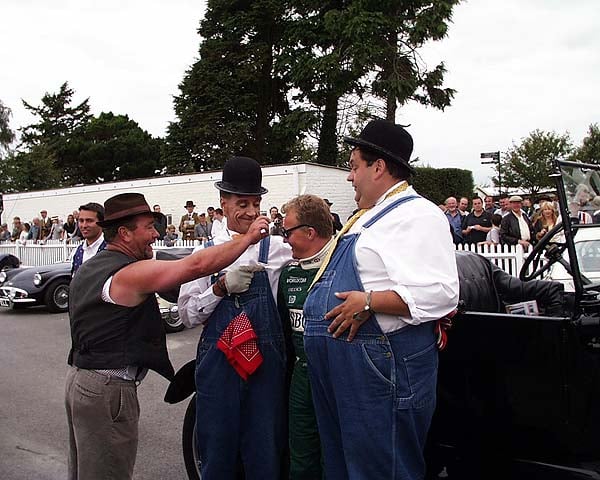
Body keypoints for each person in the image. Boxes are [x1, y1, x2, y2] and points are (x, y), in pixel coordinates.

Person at [65, 192, 269, 480]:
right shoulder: (128, 273)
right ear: (124, 233)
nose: (155, 234)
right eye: (148, 227)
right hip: (108, 389)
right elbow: (194, 267)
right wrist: (247, 238)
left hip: (84, 382)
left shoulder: (91, 267)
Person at [303, 119, 459, 480]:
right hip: (344, 368)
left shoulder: (418, 215)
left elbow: (442, 292)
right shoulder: (365, 219)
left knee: (382, 469)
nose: (349, 176)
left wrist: (370, 301)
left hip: (378, 369)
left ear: (379, 167)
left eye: (354, 166)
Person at [178, 156, 292, 480]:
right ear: (223, 204)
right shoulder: (204, 255)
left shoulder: (279, 249)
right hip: (218, 366)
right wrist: (219, 287)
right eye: (242, 203)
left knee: (266, 450)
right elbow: (186, 315)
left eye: (256, 203)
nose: (251, 212)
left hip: (265, 365)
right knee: (217, 450)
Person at [278, 194, 333, 480]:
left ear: (310, 232)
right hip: (302, 375)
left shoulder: (348, 265)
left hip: (337, 375)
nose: (285, 240)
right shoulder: (289, 274)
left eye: (288, 232)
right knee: (301, 453)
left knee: (335, 455)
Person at [71, 202, 107, 276]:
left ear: (101, 223)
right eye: (81, 221)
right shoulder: (77, 251)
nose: (84, 225)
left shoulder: (110, 249)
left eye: (89, 221)